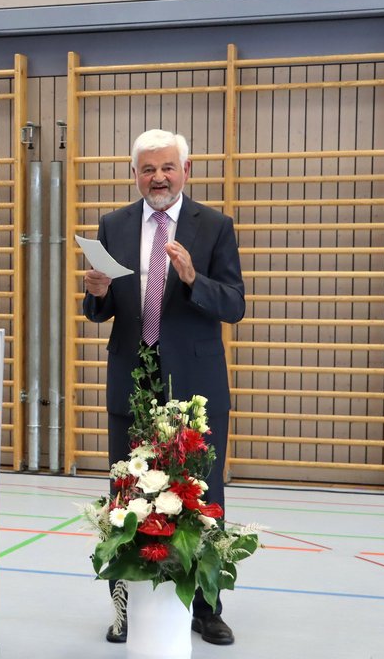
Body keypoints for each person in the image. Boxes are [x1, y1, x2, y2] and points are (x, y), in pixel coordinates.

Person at [82, 128, 245, 646]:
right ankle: (125, 608)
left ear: (186, 170)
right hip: (133, 376)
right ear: (135, 174)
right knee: (126, 493)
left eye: (167, 168)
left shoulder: (214, 226)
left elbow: (234, 305)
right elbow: (100, 312)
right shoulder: (114, 225)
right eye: (148, 169)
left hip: (194, 384)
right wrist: (98, 293)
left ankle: (207, 607)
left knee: (202, 492)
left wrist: (195, 279)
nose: (158, 177)